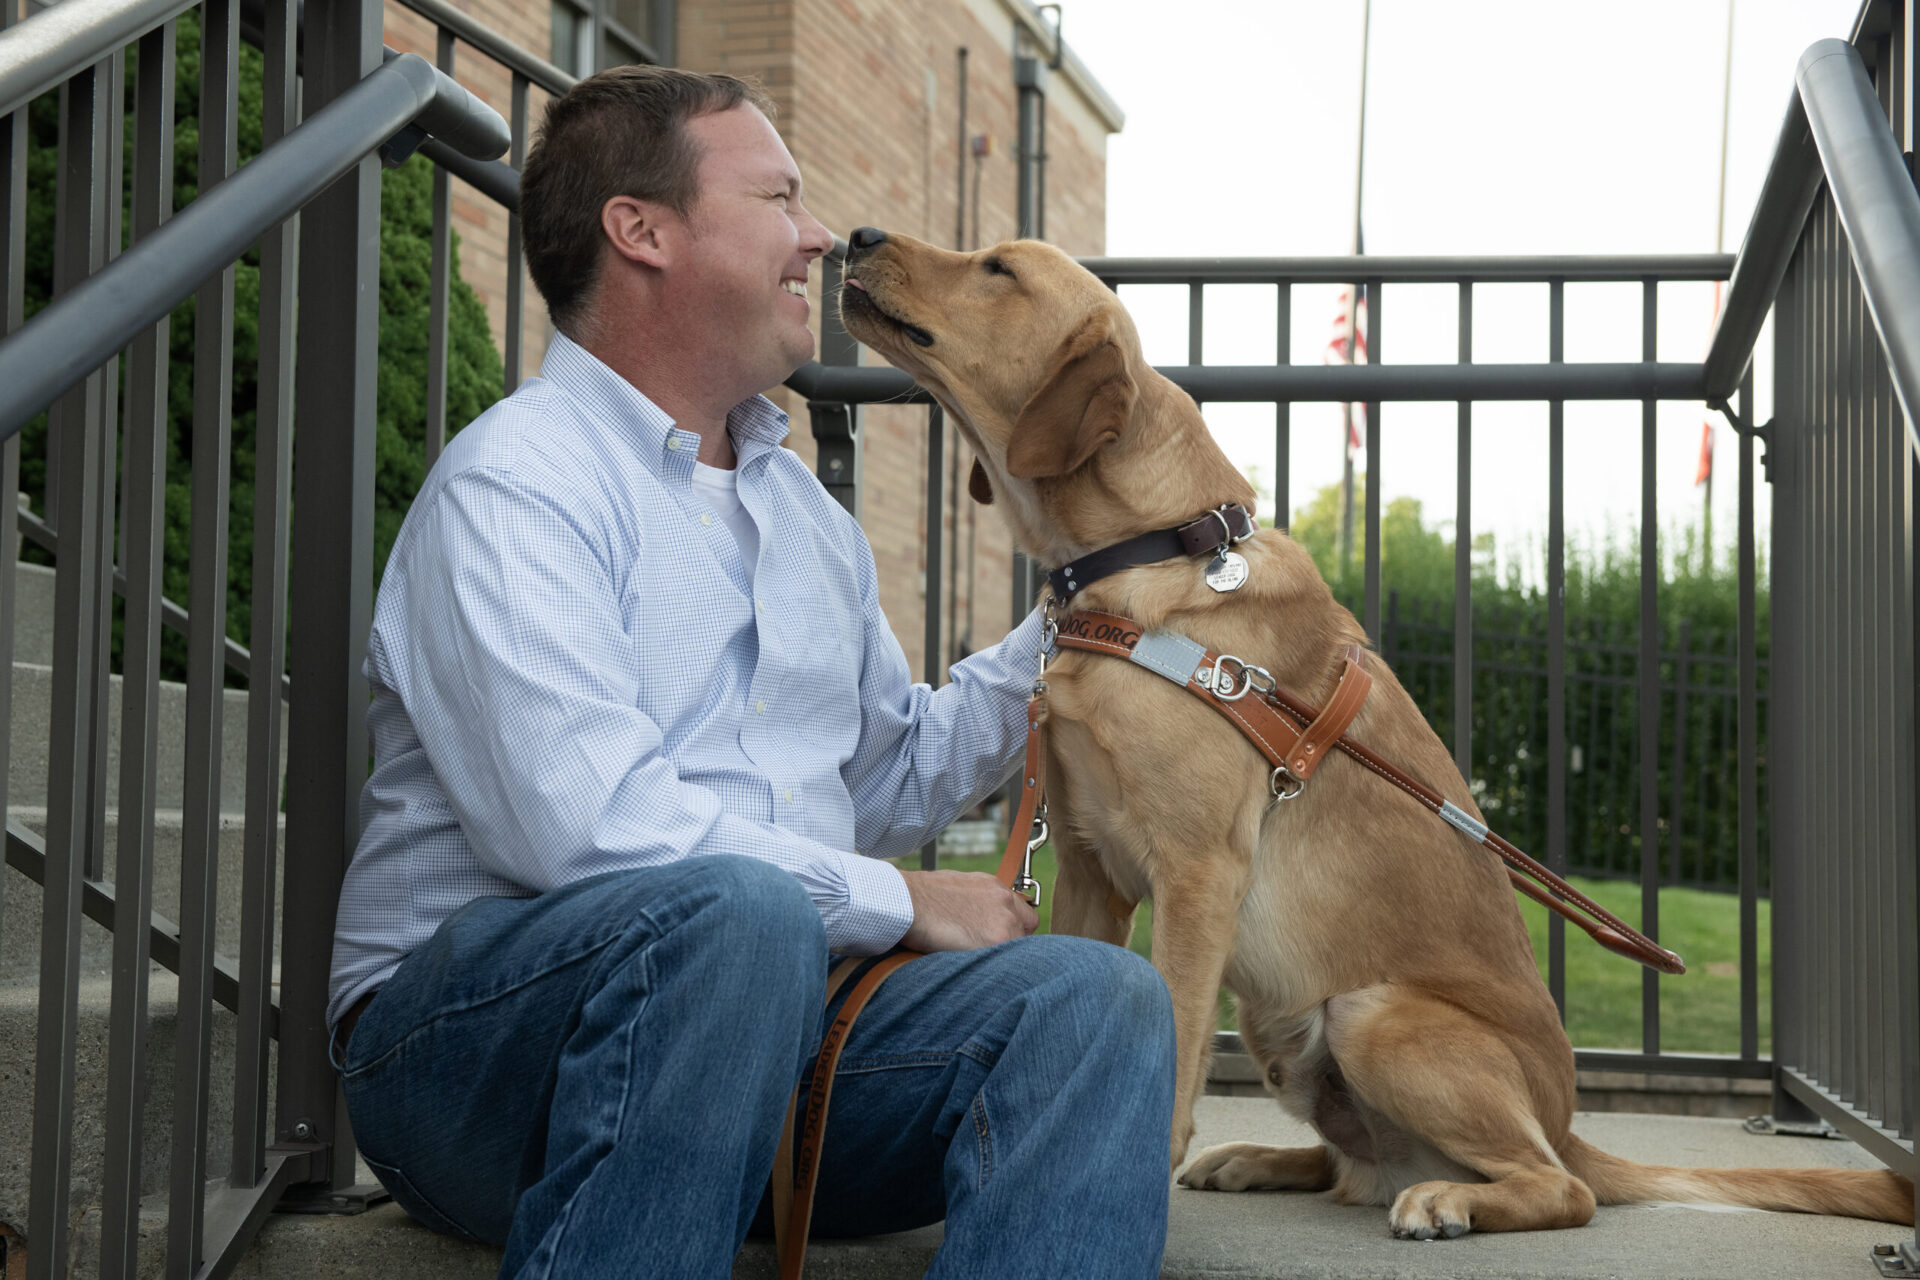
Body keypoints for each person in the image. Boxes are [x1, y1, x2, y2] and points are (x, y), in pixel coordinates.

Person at [326, 63, 1177, 1279]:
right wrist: (899, 901)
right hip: (466, 1057)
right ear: (644, 230)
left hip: (781, 1031)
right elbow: (585, 830)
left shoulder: (802, 511)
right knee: (737, 912)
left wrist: (1106, 595)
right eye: (779, 195)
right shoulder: (518, 482)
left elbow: (891, 772)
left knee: (1097, 1001)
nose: (819, 234)